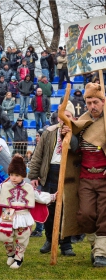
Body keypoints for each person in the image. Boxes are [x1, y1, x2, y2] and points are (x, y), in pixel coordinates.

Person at [0, 155, 56, 269]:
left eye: (16, 175)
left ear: (23, 175)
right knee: (3, 236)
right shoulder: (5, 185)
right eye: (11, 175)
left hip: (23, 215)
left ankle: (19, 258)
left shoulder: (29, 188)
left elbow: (39, 196)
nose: (13, 177)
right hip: (8, 215)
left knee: (22, 237)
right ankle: (11, 254)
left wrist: (52, 197)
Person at [28, 101, 77, 257]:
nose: (64, 119)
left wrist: (70, 135)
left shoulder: (77, 132)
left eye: (68, 116)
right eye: (62, 116)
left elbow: (76, 149)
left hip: (68, 175)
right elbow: (38, 154)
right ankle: (50, 239)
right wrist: (34, 175)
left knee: (66, 210)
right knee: (49, 209)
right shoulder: (48, 132)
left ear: (73, 118)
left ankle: (66, 244)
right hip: (50, 173)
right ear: (58, 118)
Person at [70, 83, 106, 267]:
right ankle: (96, 245)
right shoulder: (81, 123)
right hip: (85, 177)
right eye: (89, 102)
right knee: (85, 214)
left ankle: (101, 253)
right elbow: (72, 148)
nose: (93, 106)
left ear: (103, 102)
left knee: (104, 217)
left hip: (104, 178)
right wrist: (67, 134)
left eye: (96, 102)